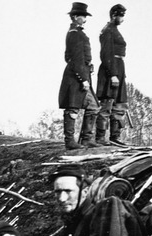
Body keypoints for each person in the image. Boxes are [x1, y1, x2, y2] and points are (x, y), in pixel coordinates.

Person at [59, 2, 100, 150]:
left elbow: (68, 56)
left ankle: (86, 139)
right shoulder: (75, 34)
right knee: (73, 108)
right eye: (82, 16)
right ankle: (70, 141)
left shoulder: (77, 33)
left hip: (82, 73)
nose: (85, 19)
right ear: (75, 17)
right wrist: (83, 78)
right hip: (76, 77)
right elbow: (75, 58)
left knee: (93, 107)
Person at [96, 4, 129, 146]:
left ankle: (115, 137)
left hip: (119, 68)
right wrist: (113, 74)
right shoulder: (108, 30)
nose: (122, 19)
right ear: (114, 15)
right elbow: (106, 54)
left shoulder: (114, 30)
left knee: (119, 104)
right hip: (111, 70)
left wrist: (120, 73)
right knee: (107, 104)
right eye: (121, 16)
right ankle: (101, 138)